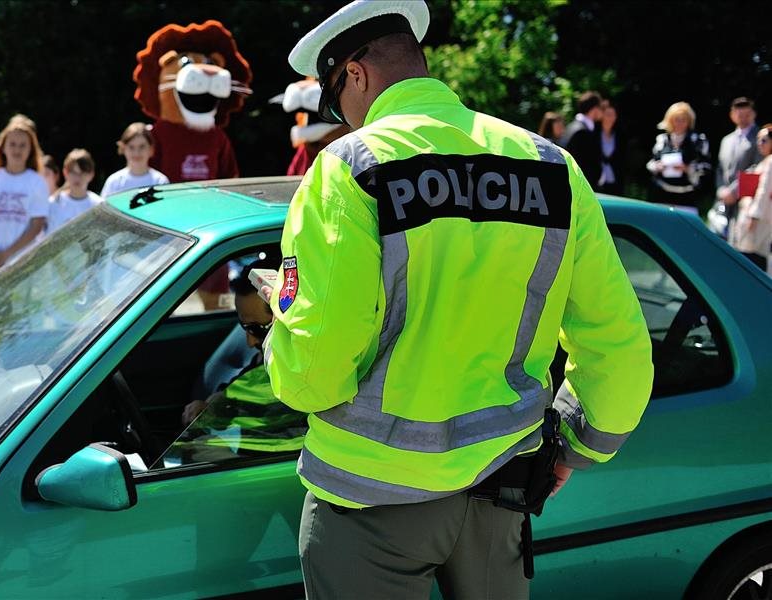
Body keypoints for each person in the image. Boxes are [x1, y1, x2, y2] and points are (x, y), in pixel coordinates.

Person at [269, 2, 653, 597]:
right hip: (499, 494)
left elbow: (317, 371)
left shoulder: (348, 169)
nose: (339, 120)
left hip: (368, 504)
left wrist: (277, 334)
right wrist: (577, 446)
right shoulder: (552, 167)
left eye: (331, 100)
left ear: (355, 76)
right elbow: (618, 343)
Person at [171, 260, 306, 463]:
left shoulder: (304, 375)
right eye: (243, 326)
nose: (249, 341)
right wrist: (214, 404)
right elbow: (241, 390)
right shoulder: (265, 357)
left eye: (256, 330)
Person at [0, 120, 48, 274]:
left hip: (22, 261)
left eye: (23, 145)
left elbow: (36, 225)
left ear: (31, 150)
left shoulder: (37, 182)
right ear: (3, 147)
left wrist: (7, 255)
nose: (17, 149)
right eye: (12, 144)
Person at [646, 101, 711, 209]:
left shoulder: (698, 141)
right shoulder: (662, 140)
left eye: (683, 120)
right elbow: (650, 163)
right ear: (670, 120)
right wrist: (658, 166)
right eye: (676, 119)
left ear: (689, 121)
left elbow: (706, 167)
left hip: (687, 197)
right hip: (662, 195)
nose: (679, 123)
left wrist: (688, 169)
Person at [728, 124, 772, 271]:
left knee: (753, 257)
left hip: (760, 218)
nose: (760, 143)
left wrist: (754, 216)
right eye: (759, 140)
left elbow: (763, 191)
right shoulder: (765, 161)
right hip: (758, 215)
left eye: (764, 140)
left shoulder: (770, 162)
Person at [716, 98, 761, 233]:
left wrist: (734, 191)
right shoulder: (727, 140)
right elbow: (720, 168)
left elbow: (756, 167)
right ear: (732, 115)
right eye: (739, 115)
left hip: (745, 201)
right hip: (723, 201)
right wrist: (721, 190)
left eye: (747, 115)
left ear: (753, 114)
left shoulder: (761, 138)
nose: (743, 119)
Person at [101, 122, 170, 197]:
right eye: (131, 147)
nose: (136, 153)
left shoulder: (160, 181)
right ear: (123, 148)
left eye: (142, 146)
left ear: (151, 149)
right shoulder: (114, 182)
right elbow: (104, 208)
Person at [47, 149, 103, 232]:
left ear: (91, 174)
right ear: (65, 172)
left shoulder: (99, 205)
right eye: (73, 172)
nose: (78, 177)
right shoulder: (53, 203)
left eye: (83, 172)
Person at [558, 91, 604, 189]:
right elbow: (583, 169)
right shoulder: (582, 132)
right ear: (595, 109)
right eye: (601, 108)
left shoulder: (571, 127)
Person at [598, 100, 625, 195]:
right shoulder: (594, 134)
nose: (611, 118)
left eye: (614, 115)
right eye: (608, 114)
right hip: (597, 181)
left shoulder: (619, 135)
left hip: (615, 181)